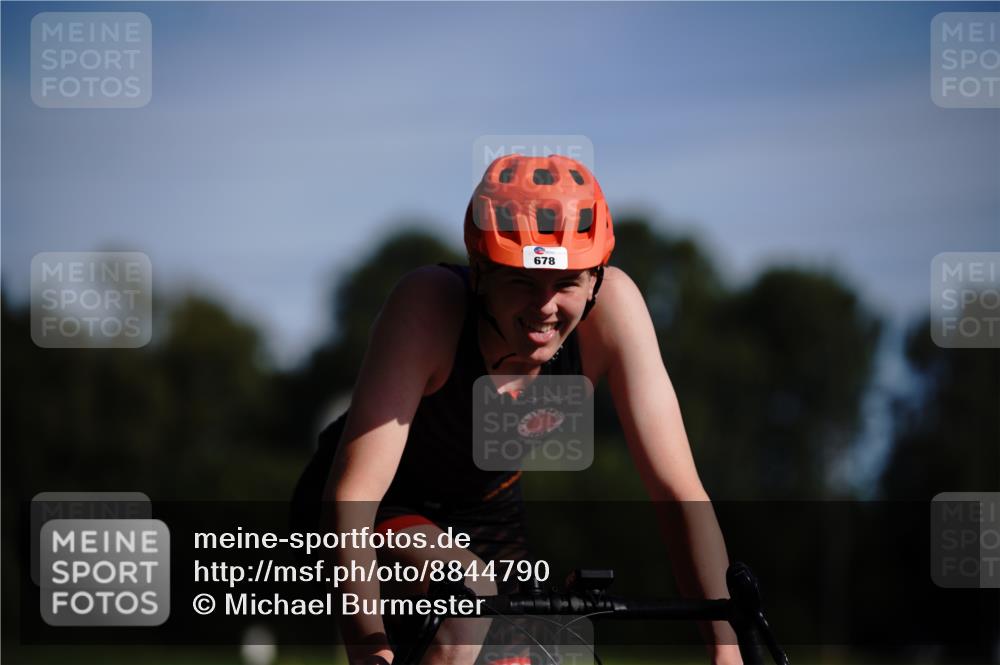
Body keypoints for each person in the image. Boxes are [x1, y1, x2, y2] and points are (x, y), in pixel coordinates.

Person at [291, 154, 741, 665]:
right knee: (469, 614)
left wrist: (726, 649)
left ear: (595, 280)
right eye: (523, 281)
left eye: (567, 282)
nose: (545, 306)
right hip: (376, 507)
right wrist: (368, 650)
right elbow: (353, 495)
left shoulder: (615, 312)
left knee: (556, 650)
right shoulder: (427, 306)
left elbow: (679, 492)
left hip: (487, 511)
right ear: (481, 273)